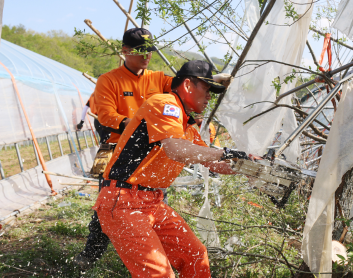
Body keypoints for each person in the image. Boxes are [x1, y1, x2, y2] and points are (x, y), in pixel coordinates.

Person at [74, 28, 231, 267]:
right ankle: (91, 253)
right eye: (140, 52)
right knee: (107, 203)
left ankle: (151, 245)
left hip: (152, 146)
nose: (146, 56)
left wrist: (215, 81)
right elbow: (104, 114)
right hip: (114, 145)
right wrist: (133, 125)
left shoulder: (157, 79)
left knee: (153, 194)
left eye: (149, 51)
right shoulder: (109, 79)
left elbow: (184, 84)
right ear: (125, 51)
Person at [93, 60, 249, 277]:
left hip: (151, 202)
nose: (209, 97)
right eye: (206, 90)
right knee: (160, 274)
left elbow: (211, 162)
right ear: (187, 86)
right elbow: (176, 150)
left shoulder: (186, 125)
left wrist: (247, 166)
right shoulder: (164, 104)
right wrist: (226, 152)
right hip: (123, 201)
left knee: (195, 256)